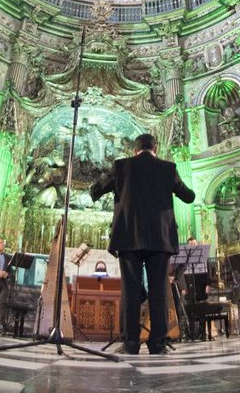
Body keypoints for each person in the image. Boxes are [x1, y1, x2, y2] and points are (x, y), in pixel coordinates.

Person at [90, 132, 196, 355]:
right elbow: (189, 196)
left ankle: (131, 343)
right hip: (160, 238)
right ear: (155, 149)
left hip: (129, 238)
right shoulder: (168, 168)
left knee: (129, 290)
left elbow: (96, 190)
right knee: (158, 291)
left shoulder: (121, 166)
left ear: (134, 150)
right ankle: (157, 344)